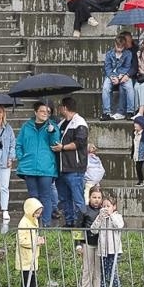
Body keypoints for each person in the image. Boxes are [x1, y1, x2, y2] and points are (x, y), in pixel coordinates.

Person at [15, 101, 61, 227]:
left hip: (46, 167)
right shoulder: (26, 126)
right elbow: (19, 144)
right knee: (33, 197)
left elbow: (55, 144)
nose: (45, 113)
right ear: (35, 112)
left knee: (46, 196)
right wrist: (21, 157)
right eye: (42, 111)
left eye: (47, 112)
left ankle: (46, 224)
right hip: (29, 167)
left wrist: (52, 133)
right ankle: (33, 223)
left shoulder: (52, 126)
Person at [54, 96, 89, 226]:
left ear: (65, 108)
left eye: (60, 106)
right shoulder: (61, 123)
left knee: (77, 197)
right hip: (62, 167)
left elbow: (80, 142)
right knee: (64, 198)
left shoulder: (80, 123)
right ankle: (69, 222)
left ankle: (81, 223)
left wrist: (62, 147)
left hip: (75, 167)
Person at [16, 197, 46, 287]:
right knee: (25, 279)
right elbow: (22, 241)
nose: (38, 215)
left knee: (33, 279)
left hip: (33, 256)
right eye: (36, 213)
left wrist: (39, 240)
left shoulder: (34, 221)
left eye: (39, 213)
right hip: (25, 257)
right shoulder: (24, 223)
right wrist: (35, 242)